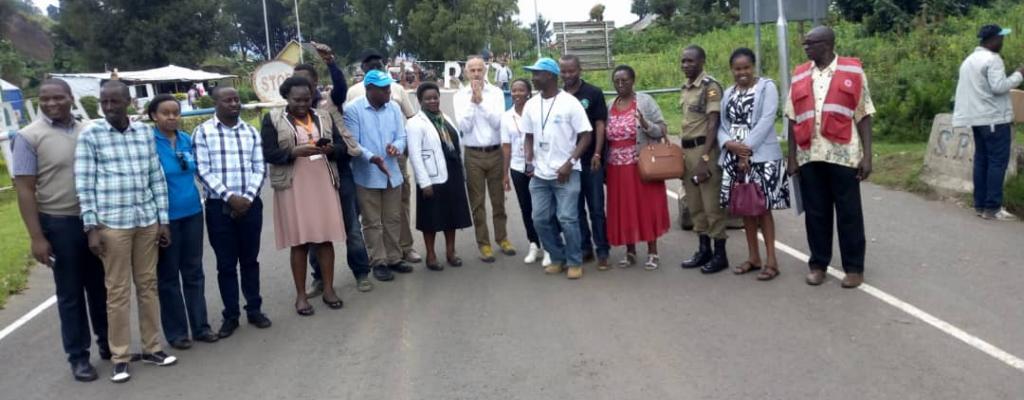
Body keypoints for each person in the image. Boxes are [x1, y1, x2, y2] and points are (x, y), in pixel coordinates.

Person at [75, 80, 177, 383]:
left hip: (145, 220)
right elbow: (84, 184)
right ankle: (120, 356)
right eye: (104, 102)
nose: (108, 107)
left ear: (128, 102)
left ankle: (152, 347)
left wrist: (163, 220)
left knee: (148, 285)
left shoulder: (144, 133)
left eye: (114, 102)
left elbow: (155, 177)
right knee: (117, 292)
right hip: (112, 224)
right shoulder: (91, 136)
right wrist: (90, 228)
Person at [13, 79, 109, 382]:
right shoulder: (29, 137)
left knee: (101, 287)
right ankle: (78, 357)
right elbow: (25, 189)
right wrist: (37, 237)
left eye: (57, 98)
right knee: (70, 293)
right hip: (59, 222)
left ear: (70, 98)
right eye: (44, 99)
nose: (51, 103)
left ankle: (109, 344)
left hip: (94, 220)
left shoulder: (89, 130)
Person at [785, 26, 875, 289]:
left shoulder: (852, 72)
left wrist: (867, 156)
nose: (806, 48)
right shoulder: (800, 74)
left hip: (843, 155)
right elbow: (792, 117)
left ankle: (854, 268)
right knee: (816, 213)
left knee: (849, 213)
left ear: (826, 44)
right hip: (809, 155)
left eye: (809, 43)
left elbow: (864, 114)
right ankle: (818, 264)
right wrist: (791, 158)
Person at [261, 77, 347, 316]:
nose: (302, 103)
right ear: (286, 98)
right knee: (299, 242)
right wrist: (293, 152)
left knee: (324, 238)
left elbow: (342, 148)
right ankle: (301, 296)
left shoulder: (324, 116)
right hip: (293, 184)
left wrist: (331, 149)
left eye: (306, 98)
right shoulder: (272, 119)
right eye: (296, 99)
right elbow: (269, 153)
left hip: (322, 181)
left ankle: (329, 289)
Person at [293, 45, 375, 295]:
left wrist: (330, 61)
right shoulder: (290, 114)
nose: (302, 88)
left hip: (341, 173)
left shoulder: (331, 102)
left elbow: (339, 85)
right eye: (296, 83)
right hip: (311, 180)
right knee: (316, 230)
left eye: (306, 82)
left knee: (351, 227)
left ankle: (361, 272)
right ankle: (319, 278)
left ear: (315, 82)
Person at [193, 86, 272, 337]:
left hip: (250, 204)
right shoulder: (203, 132)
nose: (234, 104)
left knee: (250, 261)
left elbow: (260, 168)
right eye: (227, 100)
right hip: (219, 207)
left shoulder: (250, 132)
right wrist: (230, 198)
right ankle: (231, 315)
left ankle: (254, 309)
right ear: (215, 103)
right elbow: (202, 171)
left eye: (236, 99)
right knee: (226, 264)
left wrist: (246, 198)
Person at [147, 95, 218, 350]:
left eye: (175, 112)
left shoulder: (186, 140)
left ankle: (201, 326)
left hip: (192, 213)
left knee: (194, 272)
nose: (172, 117)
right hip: (165, 218)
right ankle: (176, 333)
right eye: (165, 113)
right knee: (168, 277)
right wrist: (158, 221)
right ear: (154, 116)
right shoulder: (148, 143)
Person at [717, 48, 790, 281]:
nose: (742, 73)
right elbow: (722, 124)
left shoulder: (767, 87)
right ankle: (753, 257)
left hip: (761, 157)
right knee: (744, 208)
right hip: (735, 158)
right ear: (732, 70)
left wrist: (745, 150)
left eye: (746, 67)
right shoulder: (728, 92)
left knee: (763, 209)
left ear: (753, 67)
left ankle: (771, 260)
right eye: (737, 69)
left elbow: (767, 120)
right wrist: (728, 144)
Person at [346, 49, 421, 264]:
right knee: (371, 221)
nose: (389, 92)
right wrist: (371, 157)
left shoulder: (393, 107)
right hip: (367, 171)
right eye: (384, 89)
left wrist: (397, 147)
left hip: (393, 168)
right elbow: (353, 141)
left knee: (394, 217)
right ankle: (378, 261)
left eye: (388, 87)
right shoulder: (352, 108)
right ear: (369, 89)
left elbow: (402, 134)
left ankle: (396, 257)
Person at [521, 58, 593, 280]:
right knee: (540, 219)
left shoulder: (570, 103)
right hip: (540, 175)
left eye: (537, 74)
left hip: (567, 173)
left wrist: (569, 163)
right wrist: (529, 160)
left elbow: (586, 135)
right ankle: (558, 256)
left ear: (550, 76)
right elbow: (529, 137)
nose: (533, 78)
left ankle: (574, 261)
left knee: (567, 218)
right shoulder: (531, 104)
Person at [953, 24, 1024, 221]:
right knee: (996, 162)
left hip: (977, 119)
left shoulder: (969, 60)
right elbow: (999, 87)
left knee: (981, 160)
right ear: (992, 40)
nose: (1003, 41)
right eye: (1001, 37)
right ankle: (993, 207)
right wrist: (1019, 74)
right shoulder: (993, 59)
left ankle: (980, 205)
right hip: (994, 119)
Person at [605, 65, 671, 271]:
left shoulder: (644, 101)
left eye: (625, 80)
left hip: (640, 166)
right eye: (617, 81)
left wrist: (645, 123)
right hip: (616, 168)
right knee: (623, 209)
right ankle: (630, 251)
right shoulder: (609, 104)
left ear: (633, 81)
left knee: (646, 207)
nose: (620, 84)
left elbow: (662, 129)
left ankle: (652, 252)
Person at [454, 56, 515, 262]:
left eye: (480, 69)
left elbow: (498, 123)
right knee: (477, 203)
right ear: (466, 72)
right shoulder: (460, 96)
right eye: (472, 70)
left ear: (485, 71)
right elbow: (464, 127)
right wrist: (473, 101)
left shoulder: (496, 93)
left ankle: (502, 238)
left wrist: (482, 102)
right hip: (473, 154)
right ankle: (484, 244)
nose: (477, 74)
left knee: (498, 200)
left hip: (495, 152)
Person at [407, 83, 473, 270]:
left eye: (435, 97)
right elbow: (415, 154)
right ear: (420, 101)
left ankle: (451, 252)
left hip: (452, 173)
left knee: (451, 216)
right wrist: (424, 182)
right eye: (428, 98)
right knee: (431, 219)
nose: (433, 101)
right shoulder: (415, 123)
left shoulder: (445, 118)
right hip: (431, 177)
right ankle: (431, 255)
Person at [678, 45, 729, 274]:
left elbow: (713, 123)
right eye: (683, 61)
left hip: (704, 152)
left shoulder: (710, 87)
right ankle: (703, 250)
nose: (686, 65)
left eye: (690, 61)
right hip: (688, 152)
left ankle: (720, 255)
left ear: (702, 61)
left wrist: (705, 158)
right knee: (695, 205)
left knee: (711, 205)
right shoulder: (686, 88)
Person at [561, 54, 610, 270]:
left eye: (571, 71)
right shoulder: (558, 96)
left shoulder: (593, 93)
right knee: (575, 209)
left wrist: (598, 154)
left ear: (580, 70)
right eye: (563, 71)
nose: (567, 75)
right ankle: (585, 248)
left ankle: (603, 250)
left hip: (591, 161)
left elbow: (599, 125)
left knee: (597, 208)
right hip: (569, 163)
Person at [502, 79, 547, 265]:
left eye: (521, 90)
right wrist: (505, 174)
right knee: (526, 208)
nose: (517, 94)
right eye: (514, 90)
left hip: (539, 167)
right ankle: (534, 244)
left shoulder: (536, 112)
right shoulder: (506, 117)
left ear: (529, 92)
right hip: (518, 168)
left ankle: (550, 245)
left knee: (544, 208)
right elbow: (506, 147)